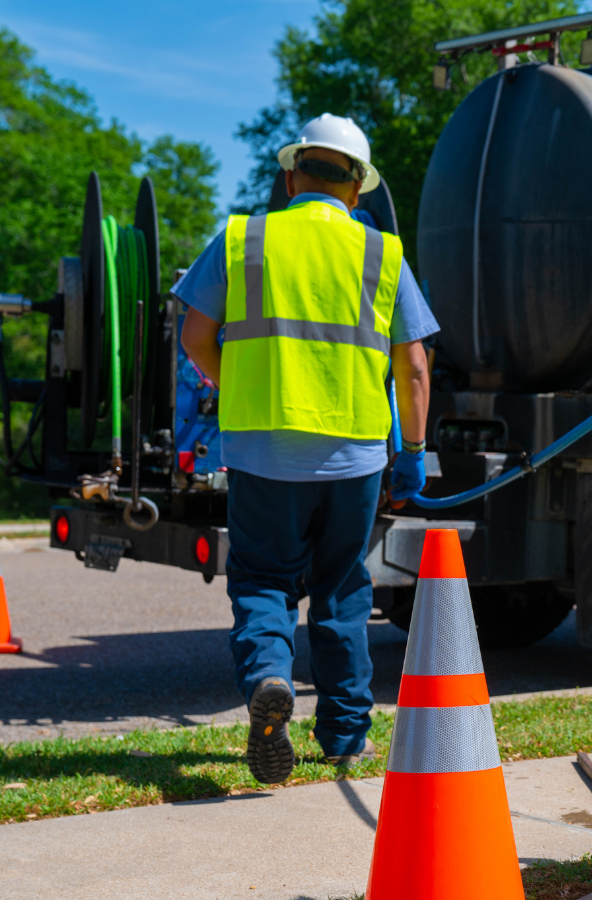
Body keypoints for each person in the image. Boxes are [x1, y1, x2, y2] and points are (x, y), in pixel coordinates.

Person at [175, 114, 438, 784]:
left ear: (292, 175)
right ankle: (346, 737)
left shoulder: (243, 238)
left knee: (263, 579)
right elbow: (413, 366)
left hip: (263, 451)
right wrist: (412, 451)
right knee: (342, 589)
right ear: (357, 187)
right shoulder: (383, 253)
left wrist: (238, 385)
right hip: (354, 456)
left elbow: (194, 335)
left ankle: (269, 674)